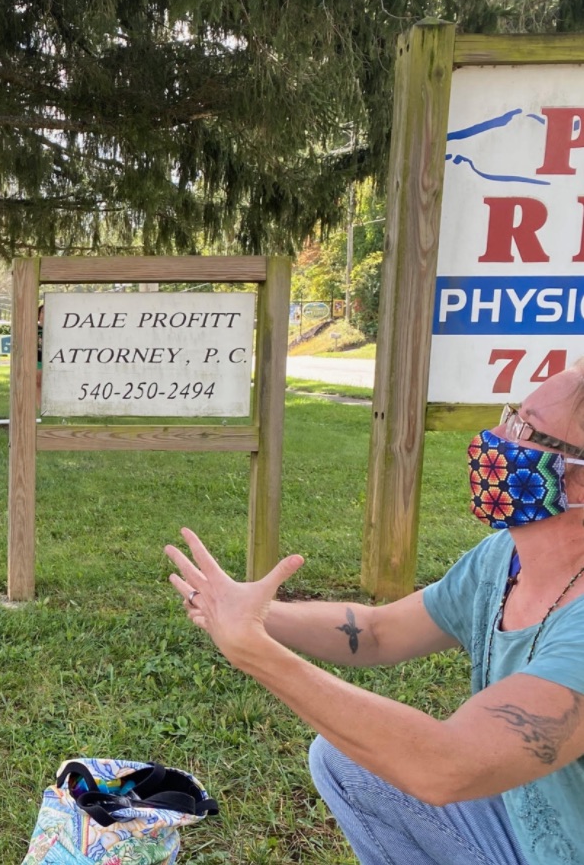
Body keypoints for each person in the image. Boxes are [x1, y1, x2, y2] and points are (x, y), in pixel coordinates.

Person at [165, 362, 584, 865]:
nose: (495, 436)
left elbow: (448, 766)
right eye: (509, 414)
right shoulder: (503, 560)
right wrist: (256, 615)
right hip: (529, 825)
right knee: (347, 759)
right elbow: (377, 631)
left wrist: (255, 653)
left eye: (524, 428)